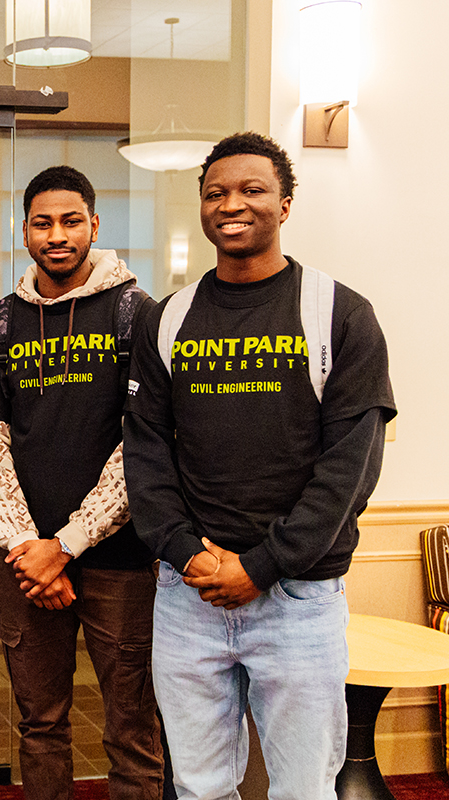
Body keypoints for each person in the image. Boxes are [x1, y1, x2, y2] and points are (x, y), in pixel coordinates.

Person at [123, 132, 396, 799]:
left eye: (252, 190)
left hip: (299, 600)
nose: (232, 204)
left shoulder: (339, 314)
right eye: (216, 192)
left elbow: (350, 469)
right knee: (198, 786)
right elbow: (146, 451)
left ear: (286, 203)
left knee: (304, 789)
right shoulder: (169, 318)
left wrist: (261, 567)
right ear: (202, 207)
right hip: (188, 596)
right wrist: (188, 554)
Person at [0, 166, 163, 800]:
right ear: (23, 232)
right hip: (27, 563)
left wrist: (67, 545)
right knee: (39, 725)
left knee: (133, 728)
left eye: (71, 221)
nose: (57, 235)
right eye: (43, 223)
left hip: (122, 560)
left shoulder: (139, 314)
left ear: (95, 226)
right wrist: (30, 549)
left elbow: (144, 445)